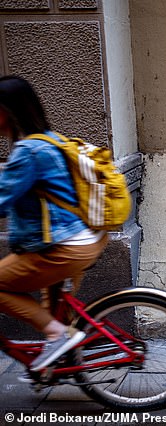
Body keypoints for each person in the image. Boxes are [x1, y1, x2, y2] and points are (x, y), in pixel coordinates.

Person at [0, 76, 107, 373]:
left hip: (63, 247)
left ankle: (59, 336)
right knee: (53, 308)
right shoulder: (53, 139)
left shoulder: (29, 152)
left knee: (47, 321)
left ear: (8, 110)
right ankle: (63, 359)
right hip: (86, 237)